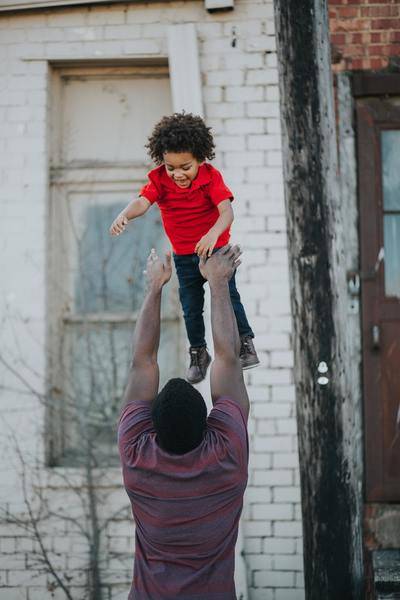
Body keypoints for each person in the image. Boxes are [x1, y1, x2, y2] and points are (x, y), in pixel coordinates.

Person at [118, 245, 250, 600]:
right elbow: (228, 359)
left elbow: (141, 362)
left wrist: (156, 287)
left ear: (153, 431)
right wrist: (219, 284)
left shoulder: (137, 456)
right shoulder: (227, 456)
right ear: (208, 425)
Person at [110, 111, 259, 383]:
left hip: (215, 251)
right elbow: (142, 202)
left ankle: (245, 342)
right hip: (184, 255)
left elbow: (226, 213)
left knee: (229, 296)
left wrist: (213, 235)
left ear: (200, 159)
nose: (177, 174)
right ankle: (198, 353)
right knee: (190, 306)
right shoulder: (159, 180)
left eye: (185, 167)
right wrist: (125, 214)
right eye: (171, 167)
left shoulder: (211, 178)